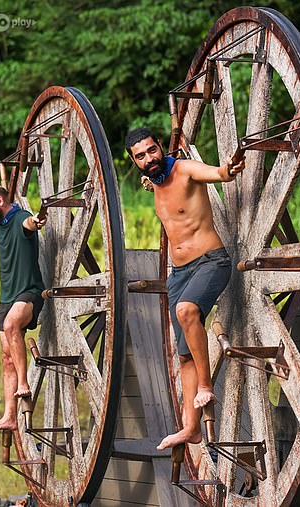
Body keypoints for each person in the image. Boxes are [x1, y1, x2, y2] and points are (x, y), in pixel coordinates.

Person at [125, 128, 245, 449]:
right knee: (183, 355)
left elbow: (214, 173)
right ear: (134, 160)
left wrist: (226, 170)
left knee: (186, 311)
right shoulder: (155, 181)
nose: (149, 158)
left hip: (210, 261)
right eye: (140, 155)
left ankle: (206, 388)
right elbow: (158, 183)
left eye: (152, 151)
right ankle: (191, 427)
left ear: (160, 147)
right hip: (179, 274)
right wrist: (150, 180)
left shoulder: (184, 169)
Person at [0, 183, 46, 432]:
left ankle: (24, 384)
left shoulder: (21, 219)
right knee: (6, 358)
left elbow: (30, 224)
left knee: (11, 325)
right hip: (7, 296)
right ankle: (10, 416)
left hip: (30, 292)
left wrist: (37, 221)